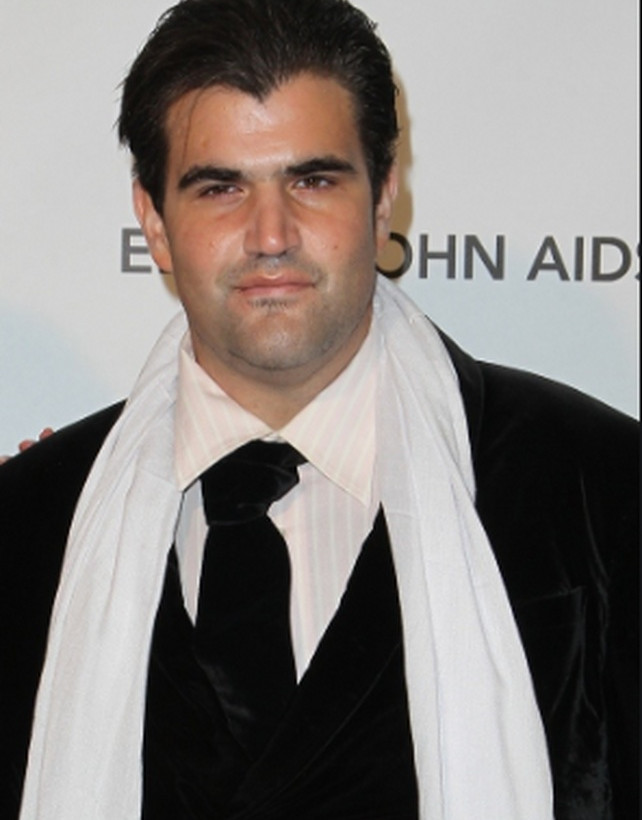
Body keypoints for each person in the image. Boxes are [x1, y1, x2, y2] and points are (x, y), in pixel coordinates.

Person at [0, 1, 637, 818]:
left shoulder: (603, 491)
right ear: (154, 223)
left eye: (313, 180)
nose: (271, 235)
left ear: (383, 199)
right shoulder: (27, 527)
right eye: (220, 188)